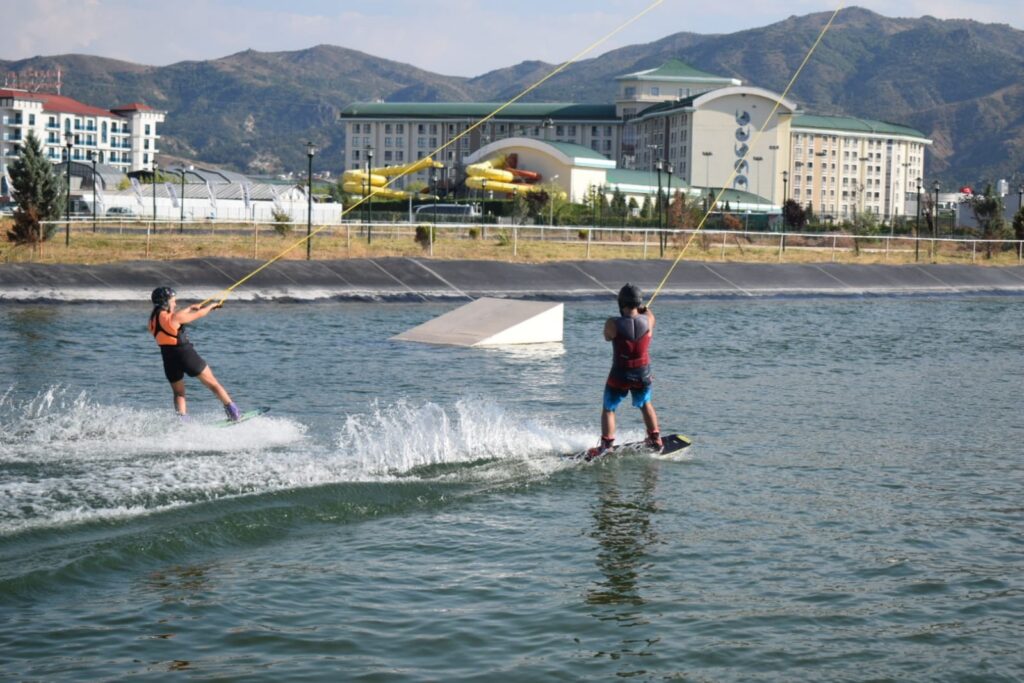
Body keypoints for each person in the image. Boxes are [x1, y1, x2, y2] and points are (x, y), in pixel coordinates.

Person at [147, 286, 240, 421]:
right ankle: (234, 414)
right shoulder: (174, 317)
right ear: (165, 302)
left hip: (168, 359)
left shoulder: (151, 322)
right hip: (186, 355)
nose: (175, 303)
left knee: (179, 393)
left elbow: (176, 317)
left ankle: (183, 421)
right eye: (173, 301)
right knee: (213, 384)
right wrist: (211, 306)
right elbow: (199, 314)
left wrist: (190, 308)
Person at [590, 283, 661, 458]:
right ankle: (655, 439)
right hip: (642, 374)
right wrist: (644, 309)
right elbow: (650, 315)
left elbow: (607, 337)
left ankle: (606, 446)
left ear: (620, 303)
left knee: (609, 408)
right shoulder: (649, 320)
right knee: (646, 404)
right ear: (639, 303)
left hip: (619, 374)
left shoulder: (613, 323)